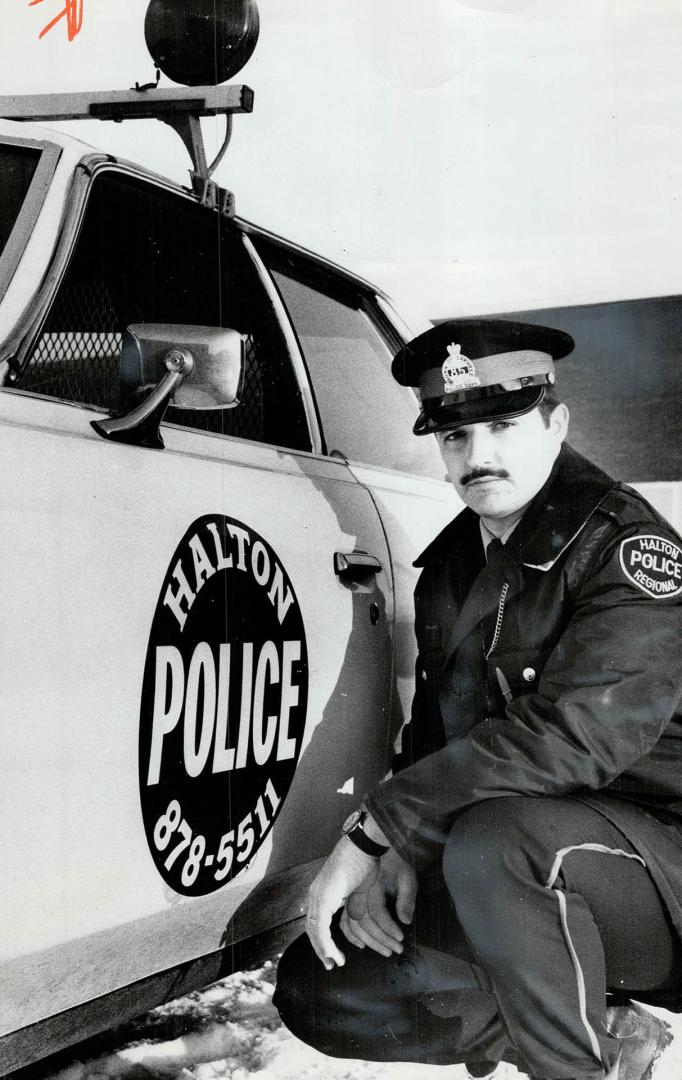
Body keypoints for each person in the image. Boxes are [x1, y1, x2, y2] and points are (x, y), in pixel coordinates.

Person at [273, 318, 682, 1080]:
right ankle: (606, 1032)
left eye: (503, 425)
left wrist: (379, 830)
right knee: (325, 985)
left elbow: (569, 740)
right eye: (455, 437)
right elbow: (437, 737)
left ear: (556, 425)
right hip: (530, 871)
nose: (478, 456)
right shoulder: (456, 567)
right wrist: (401, 853)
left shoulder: (627, 550)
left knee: (503, 841)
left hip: (661, 869)